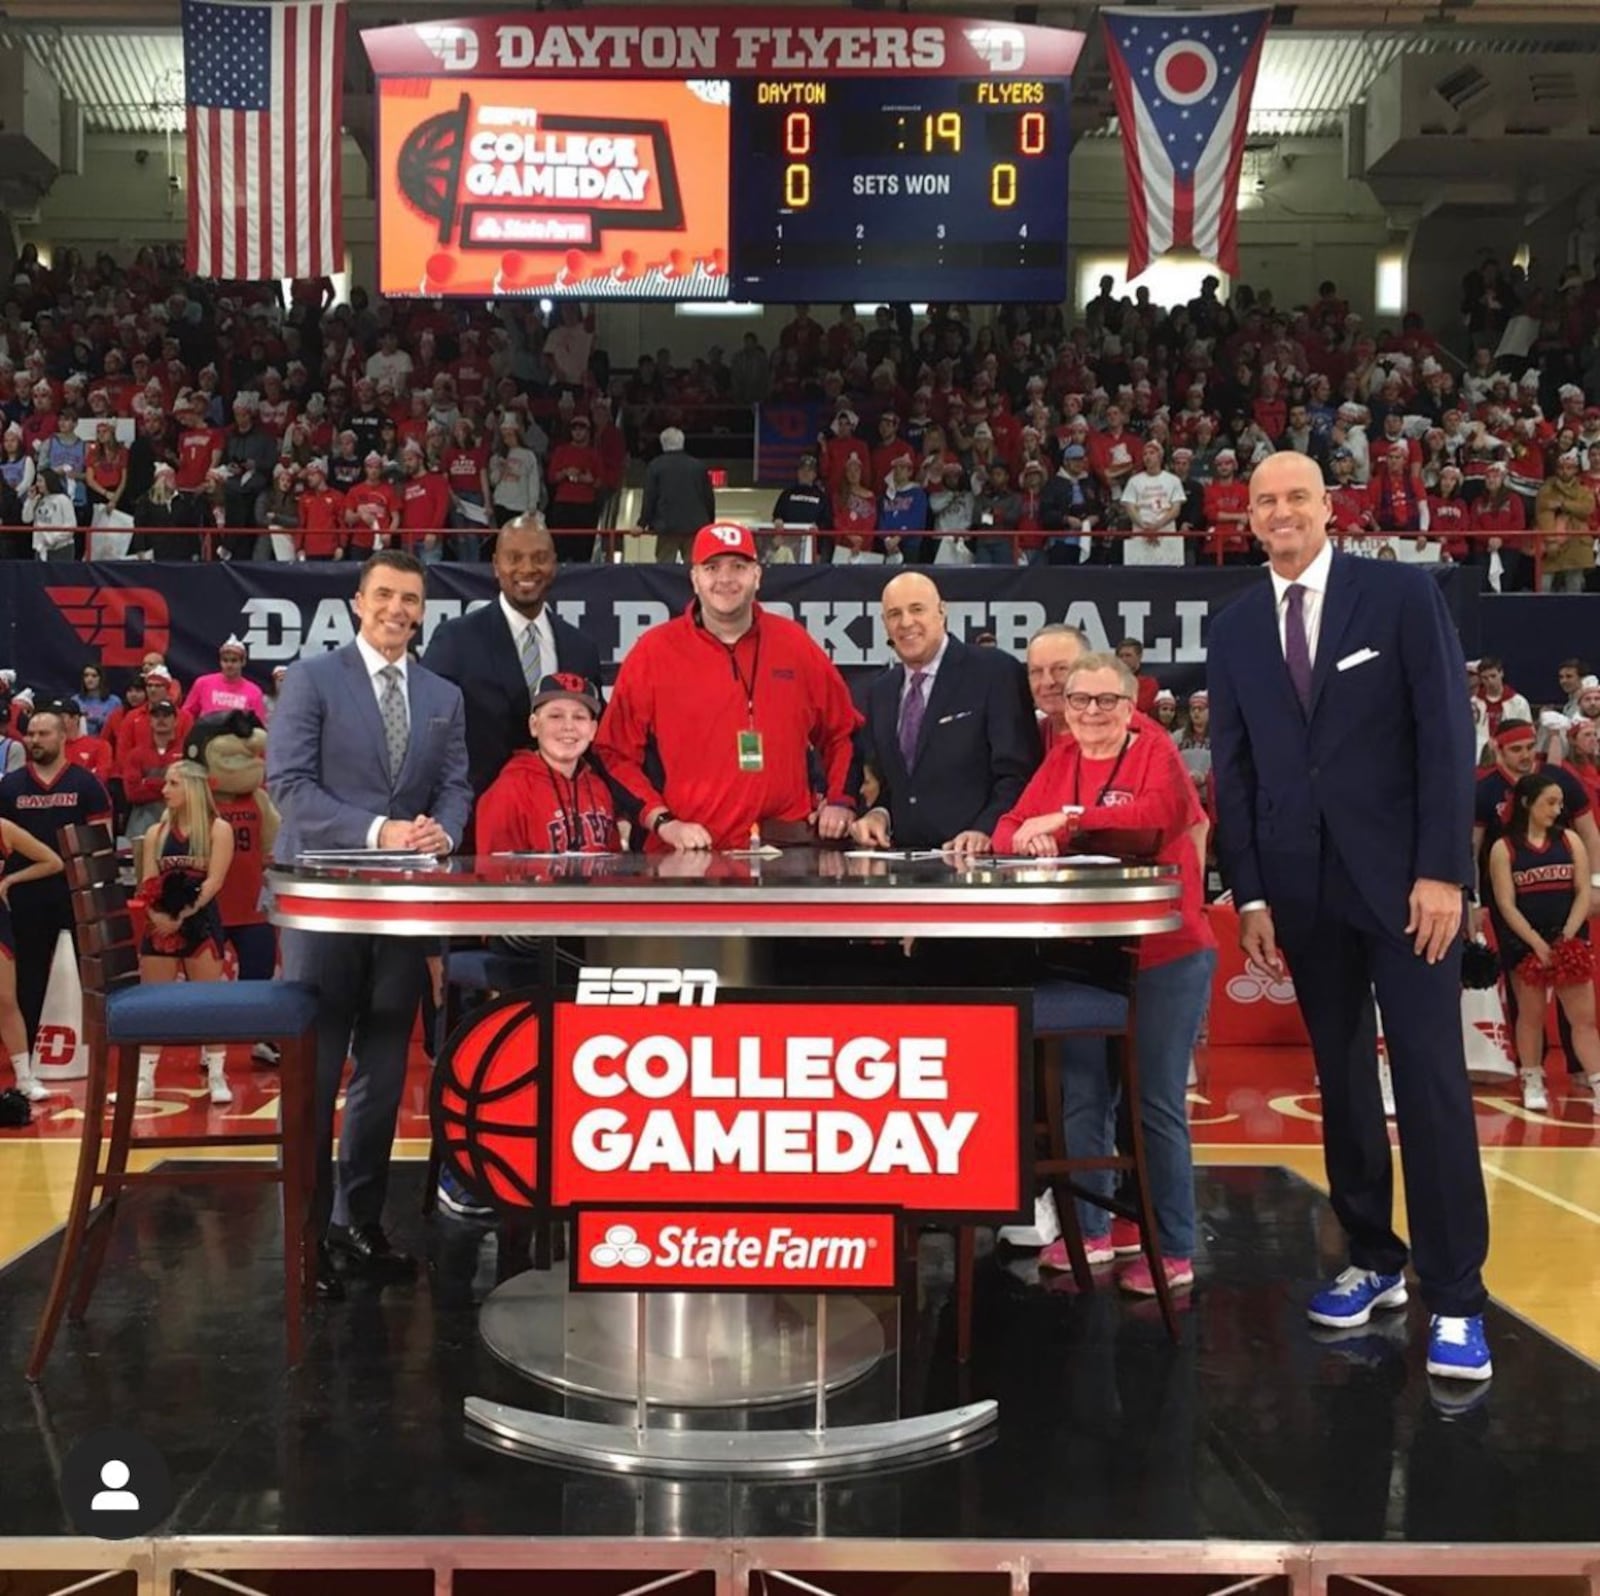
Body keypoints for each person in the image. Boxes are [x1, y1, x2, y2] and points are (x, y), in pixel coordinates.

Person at [1208, 449, 1492, 1383]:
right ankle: (1374, 1257)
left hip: (1410, 893)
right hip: (1301, 893)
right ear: (1246, 519)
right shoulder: (1239, 622)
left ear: (1329, 508)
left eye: (1297, 496)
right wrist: (1249, 892)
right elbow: (1238, 773)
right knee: (1342, 1084)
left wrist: (1444, 872)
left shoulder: (1401, 598)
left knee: (1432, 1086)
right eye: (1265, 501)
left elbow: (1448, 736)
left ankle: (1458, 1298)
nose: (1282, 512)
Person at [267, 550, 472, 1299]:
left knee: (384, 1074)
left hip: (402, 909)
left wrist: (443, 833)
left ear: (422, 610)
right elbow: (287, 786)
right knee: (318, 1075)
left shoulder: (442, 693)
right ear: (358, 601)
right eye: (384, 594)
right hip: (323, 906)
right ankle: (307, 1237)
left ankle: (360, 1224)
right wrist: (382, 830)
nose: (397, 608)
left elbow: (456, 787)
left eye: (410, 598)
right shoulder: (314, 679)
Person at [993, 650, 1214, 1295]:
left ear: (1131, 706)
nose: (1092, 713)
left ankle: (1173, 1247)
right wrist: (1023, 836)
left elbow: (1153, 821)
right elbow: (1010, 827)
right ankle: (1091, 1228)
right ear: (1062, 708)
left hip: (1166, 951)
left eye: (1107, 701)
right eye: (1079, 701)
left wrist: (1065, 823)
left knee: (1153, 1102)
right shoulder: (1059, 759)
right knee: (1082, 1093)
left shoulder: (1155, 752)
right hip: (1086, 955)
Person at [594, 522, 860, 851]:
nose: (725, 579)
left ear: (757, 576)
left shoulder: (794, 644)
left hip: (782, 852)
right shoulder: (654, 651)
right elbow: (613, 752)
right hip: (688, 857)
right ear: (694, 578)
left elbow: (842, 732)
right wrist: (662, 821)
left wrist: (839, 800)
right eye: (711, 567)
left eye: (738, 566)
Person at [851, 572, 1038, 855]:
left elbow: (1018, 772)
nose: (906, 622)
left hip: (979, 866)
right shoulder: (882, 692)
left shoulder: (994, 671)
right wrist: (880, 814)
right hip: (904, 864)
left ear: (942, 611)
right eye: (894, 614)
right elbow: (898, 784)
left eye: (917, 609)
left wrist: (985, 829)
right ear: (884, 624)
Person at [422, 513, 603, 797]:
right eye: (514, 557)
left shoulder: (581, 648)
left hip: (563, 816)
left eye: (539, 557)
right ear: (496, 565)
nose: (527, 568)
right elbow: (427, 737)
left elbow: (595, 738)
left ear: (554, 564)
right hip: (476, 819)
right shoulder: (455, 640)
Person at [1471, 717, 1600, 1106]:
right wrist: (1472, 901)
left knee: (1580, 1012)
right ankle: (1532, 1077)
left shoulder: (1568, 830)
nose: (1526, 755)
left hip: (1566, 927)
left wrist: (1595, 887)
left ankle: (1588, 1074)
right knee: (1527, 1009)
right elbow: (1472, 850)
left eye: (1530, 747)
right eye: (1517, 749)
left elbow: (1590, 836)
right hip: (1521, 927)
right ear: (1497, 748)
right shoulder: (1494, 819)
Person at [0, 707, 112, 1051]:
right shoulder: (11, 786)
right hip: (24, 894)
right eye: (30, 734)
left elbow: (102, 841)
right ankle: (29, 1047)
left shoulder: (85, 783)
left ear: (63, 736)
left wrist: (98, 893)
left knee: (86, 972)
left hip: (75, 894)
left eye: (42, 733)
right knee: (29, 975)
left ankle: (92, 1044)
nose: (34, 740)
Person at [133, 760, 234, 1104]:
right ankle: (145, 1077)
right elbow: (147, 882)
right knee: (153, 1003)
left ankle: (217, 1074)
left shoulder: (218, 828)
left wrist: (183, 914)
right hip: (160, 921)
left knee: (210, 1003)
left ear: (191, 787)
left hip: (201, 919)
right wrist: (157, 915)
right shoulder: (155, 834)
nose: (164, 790)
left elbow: (214, 881)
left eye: (173, 784)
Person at [475, 674, 617, 854]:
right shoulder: (508, 792)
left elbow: (613, 867)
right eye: (556, 716)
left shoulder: (598, 788)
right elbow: (494, 875)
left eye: (579, 717)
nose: (568, 726)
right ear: (534, 726)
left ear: (593, 730)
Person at [0, 816, 65, 1102]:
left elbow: (52, 861)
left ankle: (24, 1077)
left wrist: (11, 879)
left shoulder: (3, 828)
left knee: (5, 999)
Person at [639, 426, 716, 565]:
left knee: (665, 568)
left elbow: (650, 497)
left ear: (663, 444)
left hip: (667, 526)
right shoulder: (698, 466)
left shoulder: (655, 466)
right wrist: (710, 523)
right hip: (695, 526)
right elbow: (708, 498)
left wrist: (641, 524)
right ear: (682, 442)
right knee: (694, 567)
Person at [182, 636, 269, 720]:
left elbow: (259, 726)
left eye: (234, 660)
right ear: (220, 662)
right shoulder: (202, 683)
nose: (229, 665)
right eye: (225, 660)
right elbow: (185, 715)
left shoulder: (254, 692)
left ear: (243, 662)